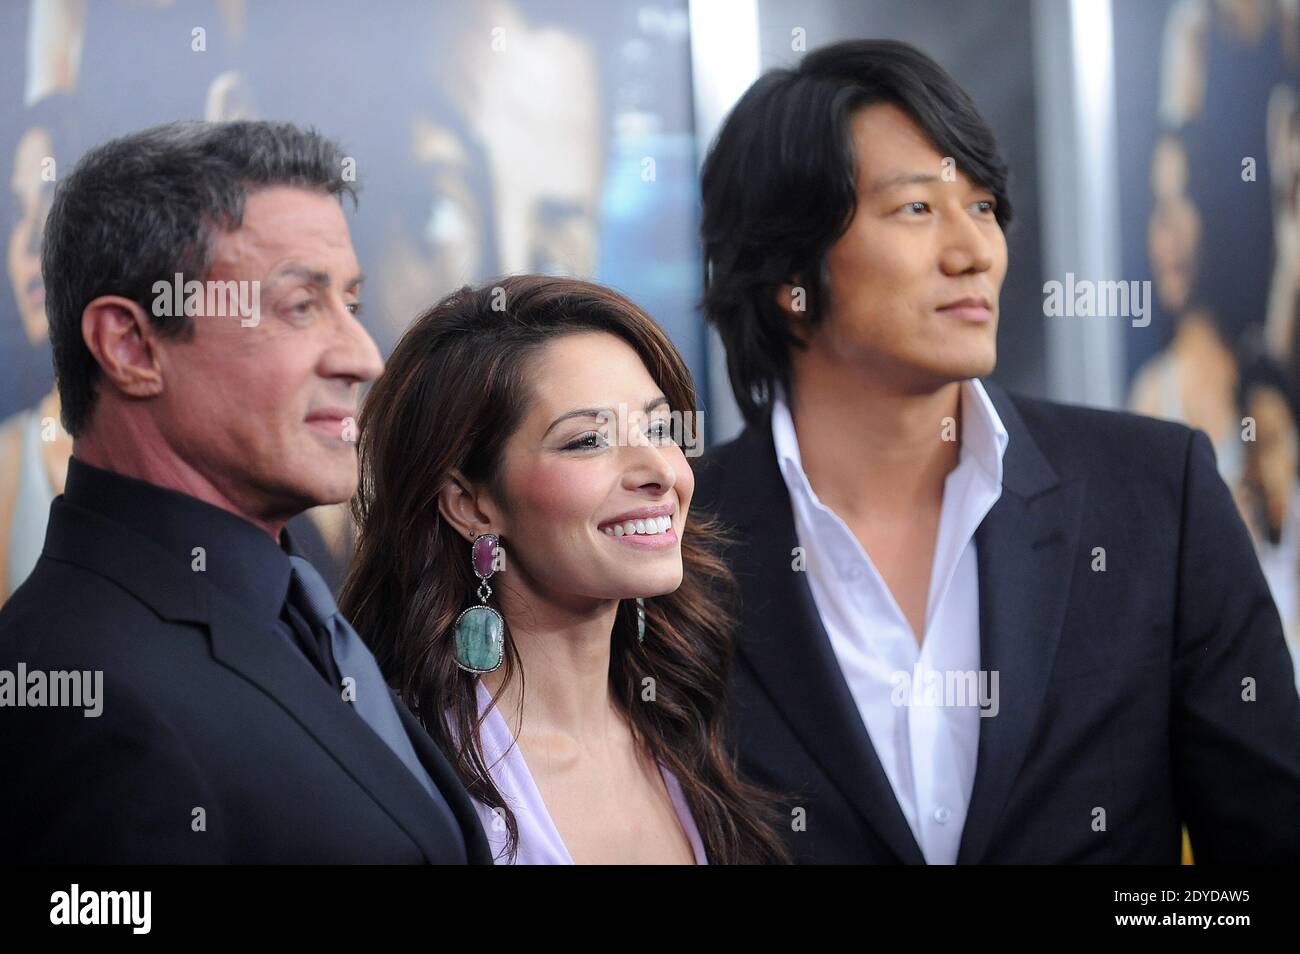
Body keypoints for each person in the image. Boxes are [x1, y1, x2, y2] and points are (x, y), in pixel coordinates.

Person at [693, 39, 1300, 864]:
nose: (975, 251)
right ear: (787, 278)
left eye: (982, 207)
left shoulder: (1157, 495)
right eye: (916, 209)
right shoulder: (681, 543)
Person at [0, 120, 490, 863]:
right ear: (132, 347)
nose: (364, 359)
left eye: (350, 306)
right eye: (300, 306)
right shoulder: (78, 696)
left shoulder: (297, 609)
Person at [340, 275, 787, 864]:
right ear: (471, 504)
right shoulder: (397, 767)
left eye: (659, 429)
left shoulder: (692, 721)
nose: (659, 471)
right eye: (586, 442)